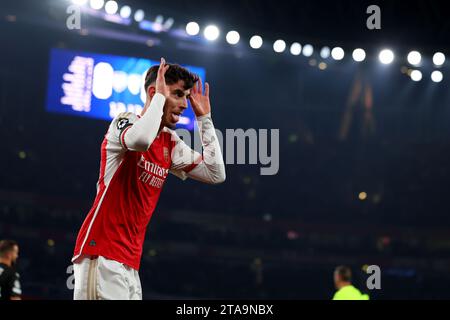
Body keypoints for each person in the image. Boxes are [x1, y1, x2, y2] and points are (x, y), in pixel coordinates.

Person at [72, 58, 226, 300]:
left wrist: (205, 120)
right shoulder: (124, 122)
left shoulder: (170, 142)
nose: (185, 104)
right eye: (177, 94)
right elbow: (141, 140)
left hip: (130, 264)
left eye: (186, 96)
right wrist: (159, 100)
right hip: (101, 254)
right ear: (154, 93)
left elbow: (216, 174)